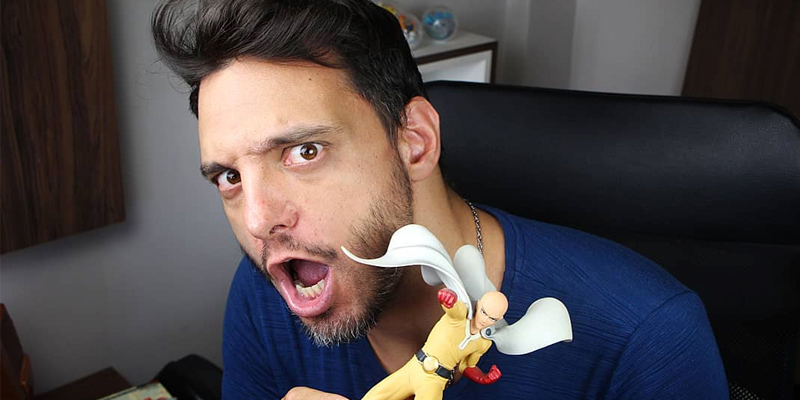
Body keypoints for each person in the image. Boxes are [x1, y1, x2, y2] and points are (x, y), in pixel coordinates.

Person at [151, 0, 729, 399]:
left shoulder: (649, 338)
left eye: (304, 152)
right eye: (229, 177)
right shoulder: (264, 295)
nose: (258, 221)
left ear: (415, 142)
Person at [362, 289, 506, 400]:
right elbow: (453, 307)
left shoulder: (483, 343)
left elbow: (467, 366)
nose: (484, 320)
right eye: (483, 312)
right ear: (478, 304)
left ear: (499, 319)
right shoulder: (460, 317)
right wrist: (448, 298)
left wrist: (482, 376)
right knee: (376, 396)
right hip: (415, 366)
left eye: (492, 318)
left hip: (435, 380)